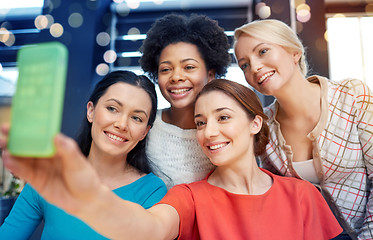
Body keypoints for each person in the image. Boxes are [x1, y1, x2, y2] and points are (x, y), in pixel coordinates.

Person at [0, 79, 342, 239]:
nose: (209, 132)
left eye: (223, 117)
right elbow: (146, 229)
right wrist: (87, 193)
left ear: (255, 122)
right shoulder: (188, 197)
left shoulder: (303, 197)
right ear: (91, 111)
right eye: (200, 123)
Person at [233, 19, 373, 239]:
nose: (255, 67)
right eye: (244, 64)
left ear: (294, 52)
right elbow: (278, 196)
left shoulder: (352, 95)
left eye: (263, 51)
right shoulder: (263, 126)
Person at [0, 70, 167, 239]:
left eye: (136, 118)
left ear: (144, 132)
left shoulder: (152, 191)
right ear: (91, 111)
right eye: (112, 108)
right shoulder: (50, 176)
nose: (122, 124)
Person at [139, 13, 231, 188]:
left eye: (189, 67)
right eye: (166, 69)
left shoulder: (225, 130)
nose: (176, 77)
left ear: (210, 74)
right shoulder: (146, 127)